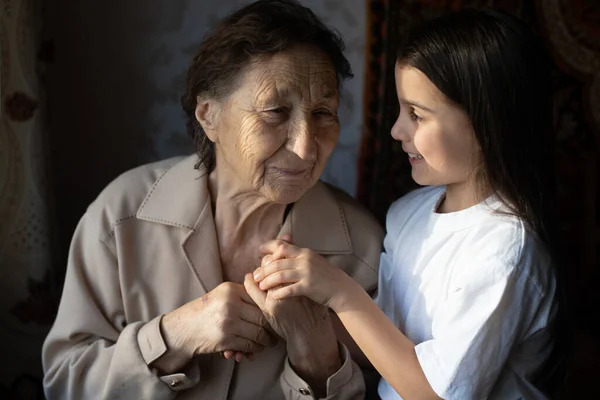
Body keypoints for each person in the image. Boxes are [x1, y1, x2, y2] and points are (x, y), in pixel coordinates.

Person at [41, 1, 384, 399]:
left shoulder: (363, 250)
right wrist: (173, 337)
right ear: (209, 115)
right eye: (275, 111)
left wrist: (316, 354)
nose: (306, 147)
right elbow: (64, 383)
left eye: (323, 112)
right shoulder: (121, 216)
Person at [254, 9, 564, 400]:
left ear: (488, 123)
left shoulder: (503, 251)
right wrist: (289, 311)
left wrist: (340, 291)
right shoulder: (408, 214)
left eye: (416, 114)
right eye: (401, 110)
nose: (397, 130)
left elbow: (436, 394)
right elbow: (382, 344)